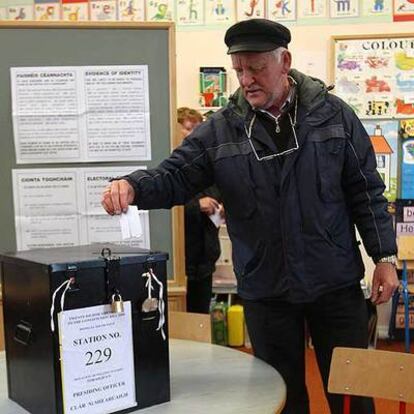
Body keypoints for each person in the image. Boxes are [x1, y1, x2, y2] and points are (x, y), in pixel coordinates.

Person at [101, 18, 399, 414]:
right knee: (280, 396)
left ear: (284, 61)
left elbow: (367, 193)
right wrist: (134, 186)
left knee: (351, 397)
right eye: (238, 69)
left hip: (334, 283)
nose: (246, 79)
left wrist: (385, 258)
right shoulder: (222, 130)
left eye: (255, 67)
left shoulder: (334, 117)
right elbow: (175, 175)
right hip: (266, 289)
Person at [177, 107, 223, 314]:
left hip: (204, 259)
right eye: (188, 128)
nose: (194, 133)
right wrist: (197, 206)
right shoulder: (170, 168)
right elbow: (166, 211)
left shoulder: (207, 163)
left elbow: (218, 194)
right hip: (180, 264)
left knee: (200, 318)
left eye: (197, 128)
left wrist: (223, 208)